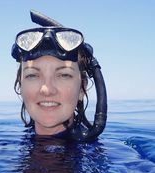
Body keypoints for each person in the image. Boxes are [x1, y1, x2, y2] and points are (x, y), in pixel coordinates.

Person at [12, 10, 107, 142]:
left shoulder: (117, 160)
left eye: (63, 75)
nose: (47, 90)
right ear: (20, 86)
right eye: (32, 75)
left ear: (81, 89)